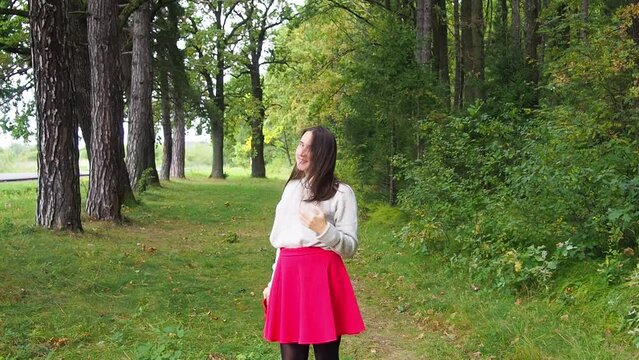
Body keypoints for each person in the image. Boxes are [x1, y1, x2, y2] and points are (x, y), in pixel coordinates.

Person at [262, 126, 365, 360]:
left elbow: (349, 247)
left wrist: (324, 230)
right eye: (301, 144)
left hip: (322, 277)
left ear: (325, 154)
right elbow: (283, 242)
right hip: (288, 276)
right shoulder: (291, 188)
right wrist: (272, 282)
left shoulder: (341, 193)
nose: (302, 152)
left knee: (326, 357)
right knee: (291, 357)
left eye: (310, 148)